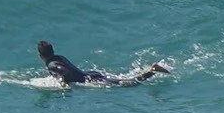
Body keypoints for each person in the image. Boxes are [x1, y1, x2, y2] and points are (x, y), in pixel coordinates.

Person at [36, 40, 169, 88]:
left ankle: (152, 70)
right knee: (123, 80)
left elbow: (61, 71)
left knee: (130, 84)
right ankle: (148, 70)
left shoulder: (51, 65)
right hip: (90, 74)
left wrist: (62, 84)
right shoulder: (59, 57)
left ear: (40, 55)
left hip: (88, 80)